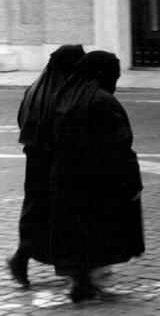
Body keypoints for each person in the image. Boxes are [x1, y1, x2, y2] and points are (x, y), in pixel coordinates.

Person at [43, 51, 144, 302]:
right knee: (99, 231)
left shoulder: (61, 96)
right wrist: (132, 182)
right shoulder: (103, 101)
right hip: (99, 182)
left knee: (76, 234)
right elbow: (120, 146)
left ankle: (81, 280)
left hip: (64, 180)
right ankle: (90, 280)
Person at [6, 45, 86, 287]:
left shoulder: (35, 89)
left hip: (36, 163)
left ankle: (23, 259)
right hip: (56, 164)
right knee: (62, 215)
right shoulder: (63, 93)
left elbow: (23, 121)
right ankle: (76, 272)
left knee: (37, 214)